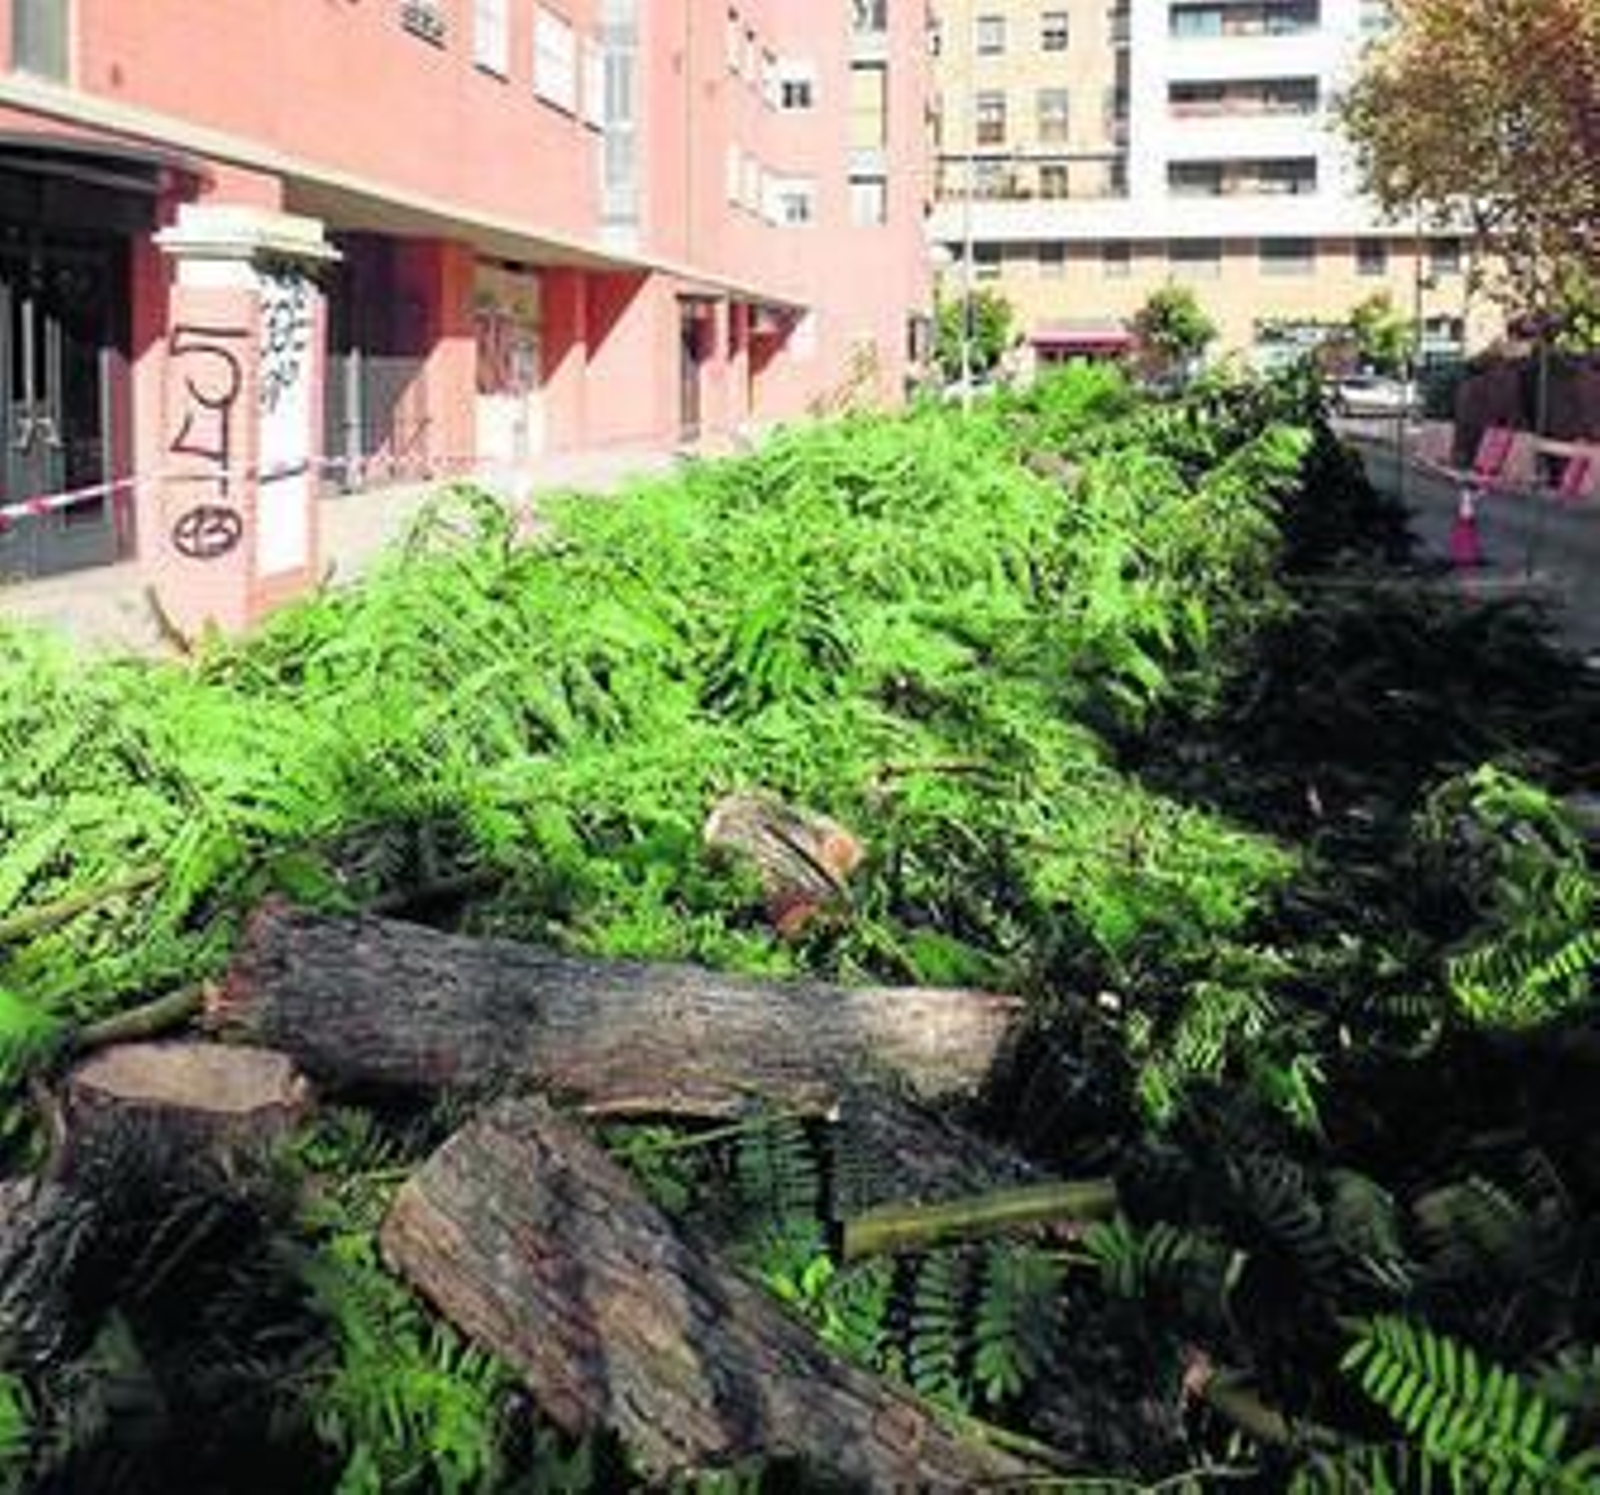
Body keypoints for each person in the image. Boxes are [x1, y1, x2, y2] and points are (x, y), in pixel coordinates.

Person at [1450, 484, 1484, 569]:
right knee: (1467, 537)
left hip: (1465, 517)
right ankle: (1467, 558)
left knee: (1464, 537)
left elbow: (1477, 496)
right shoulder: (1468, 495)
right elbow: (1478, 496)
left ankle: (1465, 558)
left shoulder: (1466, 494)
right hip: (1466, 517)